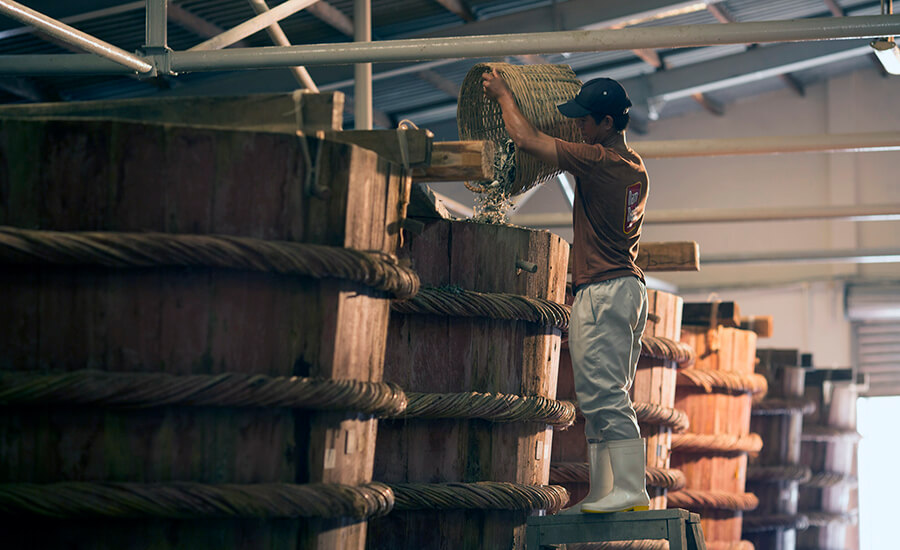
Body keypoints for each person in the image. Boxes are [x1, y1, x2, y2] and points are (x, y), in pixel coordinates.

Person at [482, 69, 650, 513]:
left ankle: (632, 489)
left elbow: (527, 140)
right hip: (625, 288)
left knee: (605, 394)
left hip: (606, 289)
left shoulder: (601, 162)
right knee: (600, 394)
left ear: (608, 125)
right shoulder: (633, 167)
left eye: (586, 121)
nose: (579, 127)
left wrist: (502, 95)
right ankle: (606, 491)